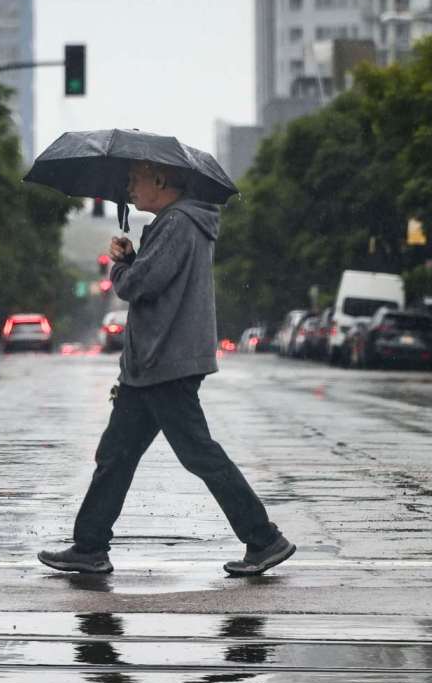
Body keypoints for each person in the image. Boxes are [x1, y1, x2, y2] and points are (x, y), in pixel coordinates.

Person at [39, 160, 295, 577]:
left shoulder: (179, 223)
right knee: (116, 455)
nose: (129, 187)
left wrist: (120, 266)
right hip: (150, 366)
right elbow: (158, 277)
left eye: (134, 179)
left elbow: (138, 285)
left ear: (160, 180)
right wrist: (134, 258)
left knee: (199, 454)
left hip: (166, 362)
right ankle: (89, 547)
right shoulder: (176, 224)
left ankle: (263, 538)